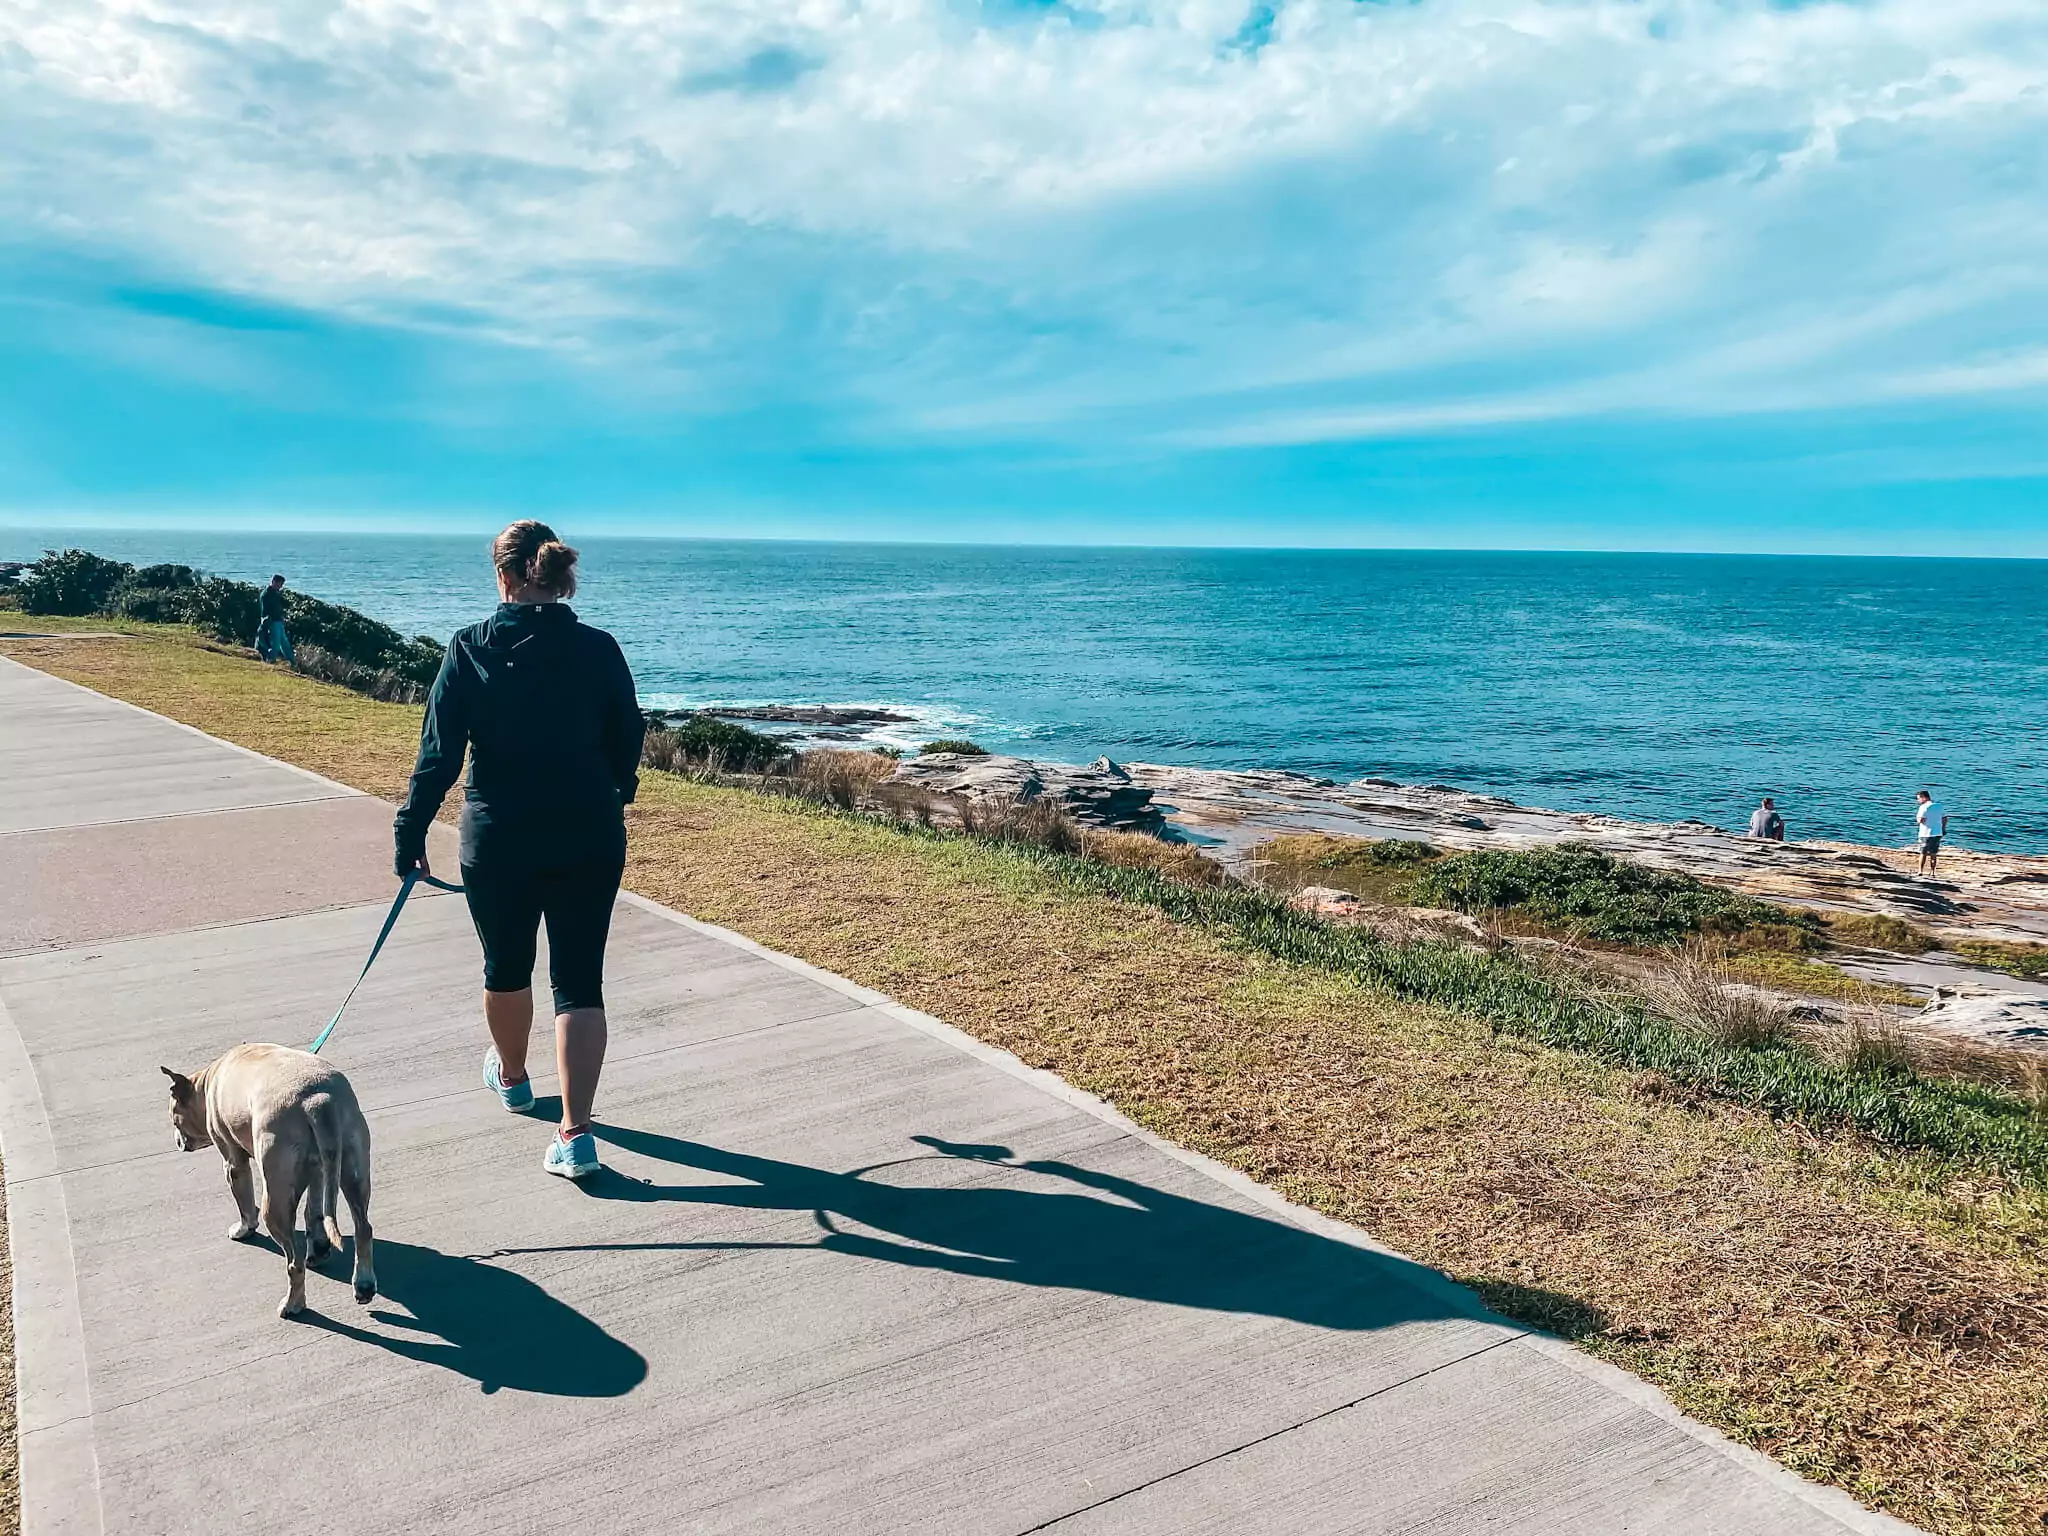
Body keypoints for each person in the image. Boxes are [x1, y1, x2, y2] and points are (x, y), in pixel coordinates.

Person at [392, 522, 644, 1180]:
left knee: (505, 967)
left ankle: (513, 1078)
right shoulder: (599, 648)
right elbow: (628, 732)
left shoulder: (469, 647)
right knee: (579, 981)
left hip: (499, 835)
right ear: (558, 576)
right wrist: (617, 791)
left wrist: (411, 831)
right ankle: (576, 1134)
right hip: (588, 830)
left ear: (504, 575)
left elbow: (439, 754)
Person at [255, 574, 295, 664]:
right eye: (280, 584)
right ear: (273, 582)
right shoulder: (266, 594)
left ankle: (292, 661)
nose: (280, 586)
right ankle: (271, 660)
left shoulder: (276, 593)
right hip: (272, 621)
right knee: (275, 644)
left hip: (278, 620)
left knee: (284, 643)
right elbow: (267, 611)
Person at [1914, 789, 1948, 875]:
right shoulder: (1939, 806)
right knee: (1933, 854)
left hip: (1926, 833)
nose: (1918, 801)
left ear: (1923, 797)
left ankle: (1920, 871)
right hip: (1937, 832)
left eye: (1918, 798)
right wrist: (1943, 829)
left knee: (1923, 853)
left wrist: (1919, 820)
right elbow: (1944, 818)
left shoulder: (1923, 807)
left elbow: (1920, 820)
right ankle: (1932, 872)